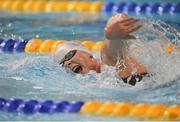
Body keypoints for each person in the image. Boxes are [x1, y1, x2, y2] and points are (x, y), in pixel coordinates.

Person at [54, 13, 149, 86]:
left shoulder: (106, 62)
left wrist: (112, 36)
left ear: (88, 55)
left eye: (69, 55)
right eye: (63, 64)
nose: (67, 63)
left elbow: (111, 52)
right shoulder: (102, 78)